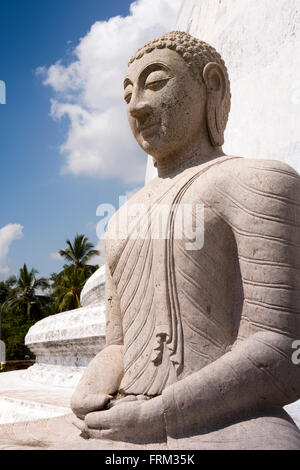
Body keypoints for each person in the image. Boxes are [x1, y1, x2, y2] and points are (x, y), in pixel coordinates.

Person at [71, 31, 300, 449]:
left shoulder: (259, 182)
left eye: (157, 83)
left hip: (229, 419)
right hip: (127, 414)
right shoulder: (120, 221)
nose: (137, 106)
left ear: (210, 84)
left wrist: (162, 416)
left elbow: (284, 350)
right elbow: (119, 346)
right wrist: (92, 387)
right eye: (127, 96)